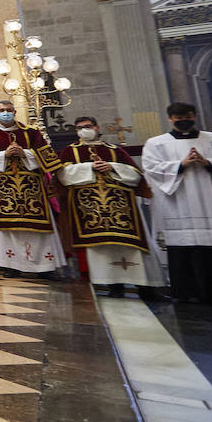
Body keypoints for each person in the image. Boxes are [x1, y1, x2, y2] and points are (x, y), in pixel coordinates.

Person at [58, 116, 163, 298]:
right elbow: (62, 176)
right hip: (89, 209)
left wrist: (112, 167)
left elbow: (135, 174)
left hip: (121, 207)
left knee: (131, 245)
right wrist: (90, 167)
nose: (84, 130)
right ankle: (113, 285)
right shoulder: (69, 151)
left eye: (87, 126)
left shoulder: (115, 150)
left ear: (97, 127)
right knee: (100, 247)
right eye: (79, 128)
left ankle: (144, 286)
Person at [142, 102, 212, 304]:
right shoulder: (156, 143)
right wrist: (181, 165)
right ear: (170, 118)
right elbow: (151, 168)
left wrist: (208, 162)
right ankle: (187, 292)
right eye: (179, 118)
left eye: (188, 117)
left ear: (194, 116)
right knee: (184, 247)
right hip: (179, 202)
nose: (184, 120)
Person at [0, 99, 65, 276]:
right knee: (9, 229)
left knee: (39, 227)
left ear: (15, 112)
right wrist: (4, 155)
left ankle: (45, 267)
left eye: (9, 110)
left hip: (32, 190)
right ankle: (13, 266)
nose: (5, 113)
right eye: (1, 110)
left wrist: (25, 153)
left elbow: (48, 157)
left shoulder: (31, 133)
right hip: (3, 190)